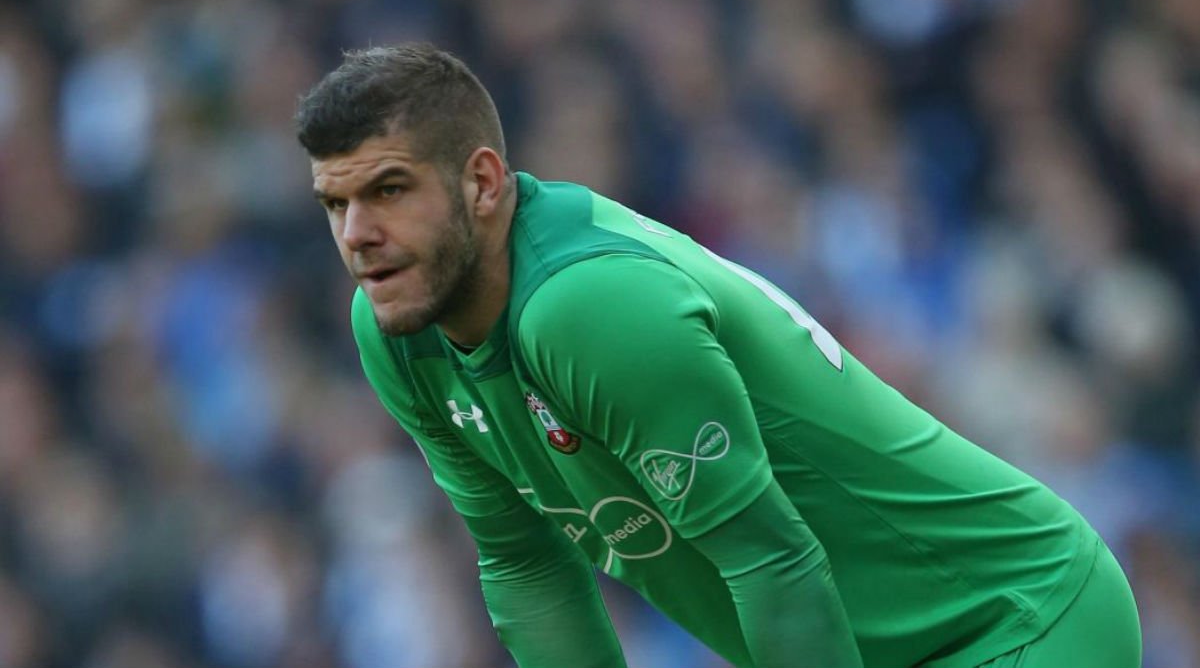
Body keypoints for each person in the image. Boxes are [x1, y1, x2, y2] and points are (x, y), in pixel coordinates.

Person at [294, 43, 1142, 668]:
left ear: (482, 183)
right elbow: (525, 561)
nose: (357, 234)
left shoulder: (584, 306)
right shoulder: (398, 331)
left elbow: (774, 562)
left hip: (1008, 622)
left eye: (389, 190)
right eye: (336, 203)